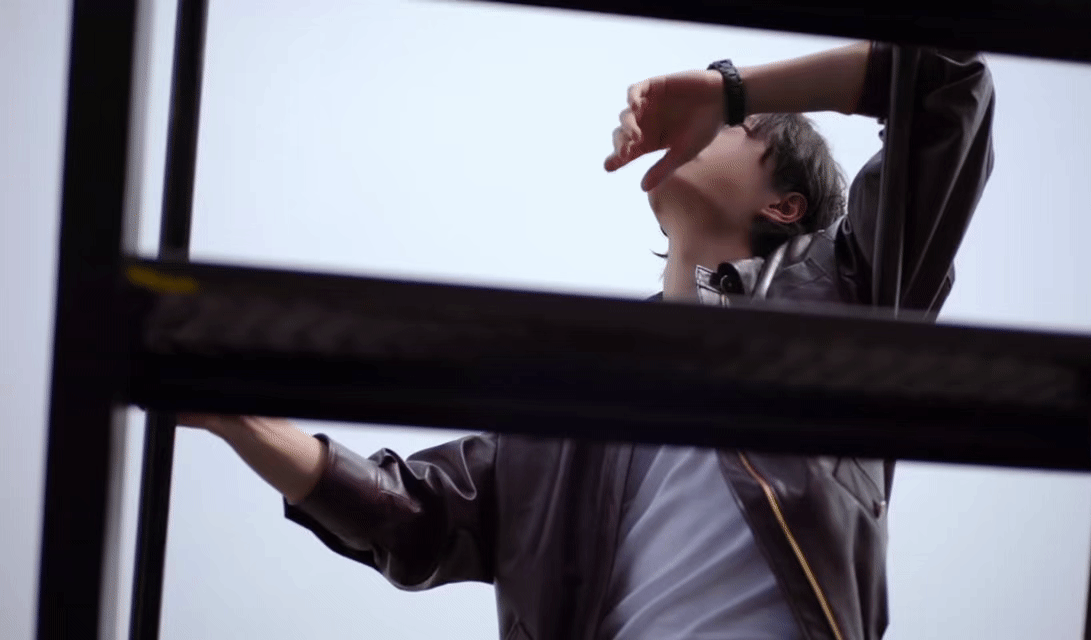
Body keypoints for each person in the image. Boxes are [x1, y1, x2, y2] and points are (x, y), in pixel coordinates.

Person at [180, 40, 994, 640]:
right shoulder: (577, 400)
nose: (706, 129)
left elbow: (947, 79)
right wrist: (233, 416)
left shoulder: (846, 292)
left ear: (784, 205)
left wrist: (732, 90)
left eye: (736, 130)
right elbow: (410, 514)